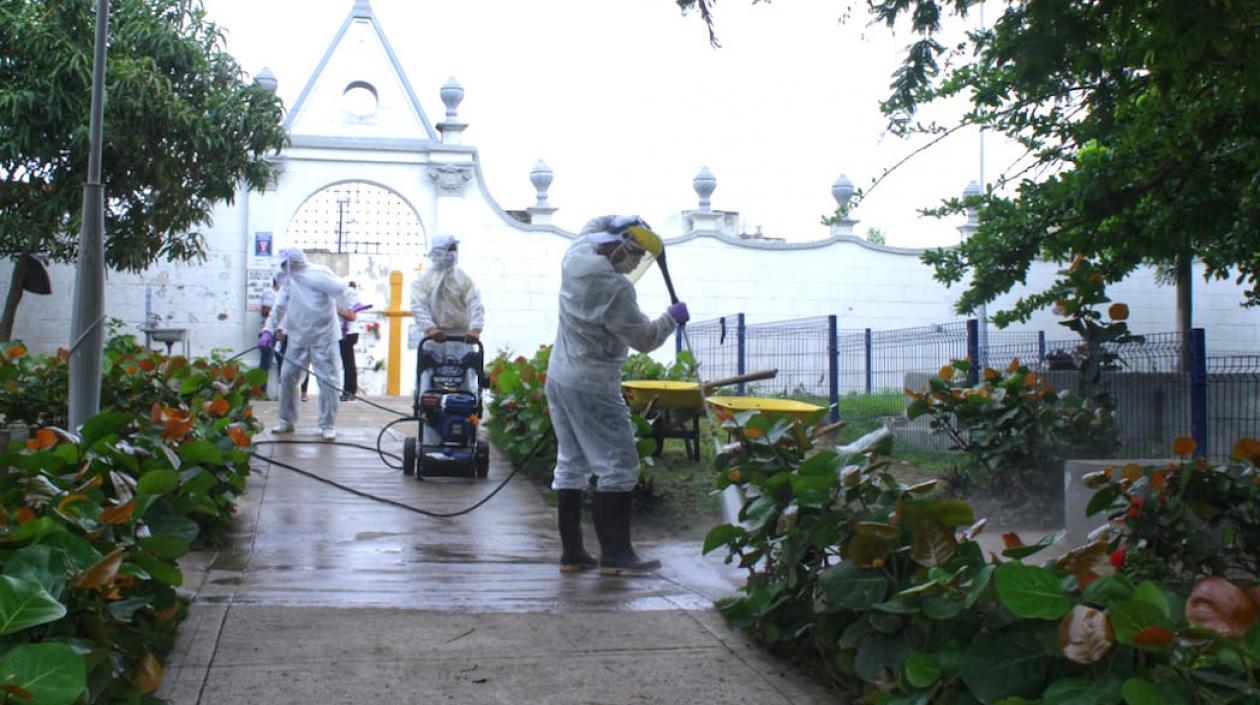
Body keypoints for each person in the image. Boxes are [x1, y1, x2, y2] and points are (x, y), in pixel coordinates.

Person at [545, 215, 689, 575]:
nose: (635, 263)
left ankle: (573, 554)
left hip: (559, 376)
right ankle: (616, 555)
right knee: (620, 464)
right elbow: (644, 339)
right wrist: (671, 318)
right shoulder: (614, 288)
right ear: (619, 245)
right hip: (592, 382)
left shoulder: (575, 255)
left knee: (572, 464)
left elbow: (592, 224)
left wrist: (625, 218)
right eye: (634, 254)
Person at [258, 248, 352, 441]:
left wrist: (350, 308)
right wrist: (268, 329)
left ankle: (327, 425)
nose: (283, 268)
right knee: (287, 377)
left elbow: (341, 289)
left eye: (285, 264)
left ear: (294, 262)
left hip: (323, 337)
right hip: (298, 337)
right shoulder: (289, 280)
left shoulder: (319, 273)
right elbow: (279, 307)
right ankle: (286, 420)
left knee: (328, 382)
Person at [410, 234, 484, 344]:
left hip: (461, 338)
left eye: (455, 249)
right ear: (438, 251)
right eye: (449, 250)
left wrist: (475, 329)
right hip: (433, 339)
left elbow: (475, 303)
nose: (453, 254)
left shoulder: (463, 278)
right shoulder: (422, 280)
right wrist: (430, 328)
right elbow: (418, 306)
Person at [337, 281, 372, 401]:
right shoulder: (355, 299)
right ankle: (349, 390)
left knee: (348, 364)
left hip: (348, 333)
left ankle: (348, 391)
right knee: (349, 363)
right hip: (350, 333)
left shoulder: (350, 300)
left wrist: (337, 311)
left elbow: (351, 317)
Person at [258, 275, 280, 398]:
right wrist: (278, 312)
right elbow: (265, 311)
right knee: (266, 362)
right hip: (268, 332)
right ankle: (261, 392)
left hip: (279, 332)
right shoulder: (269, 293)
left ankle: (280, 392)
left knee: (278, 362)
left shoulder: (281, 294)